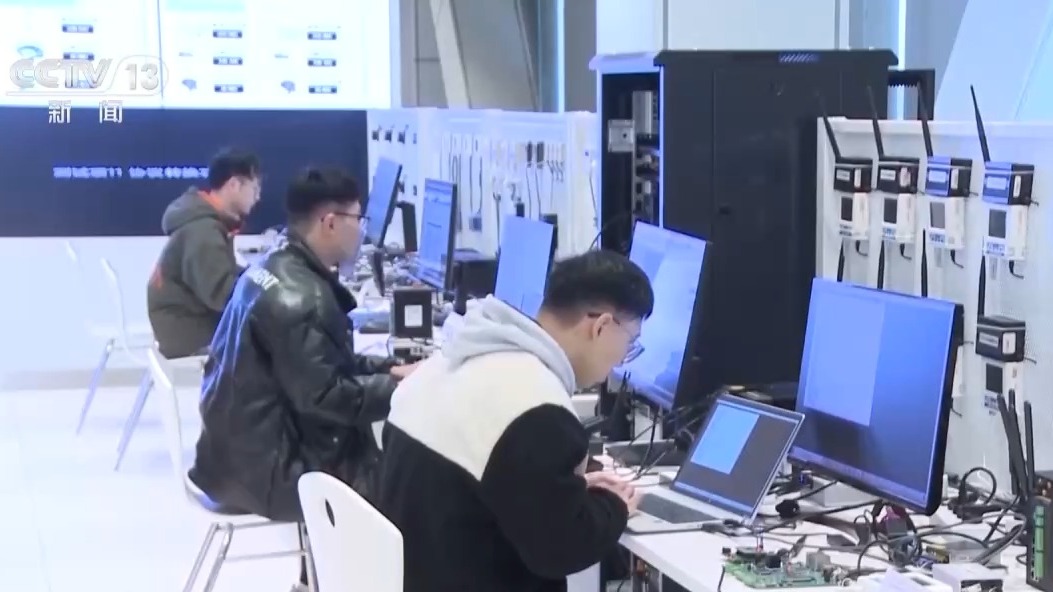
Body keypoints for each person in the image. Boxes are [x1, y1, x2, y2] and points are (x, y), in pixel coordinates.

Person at [377, 250, 654, 592]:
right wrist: (614, 505)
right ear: (602, 327)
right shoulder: (537, 407)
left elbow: (491, 486)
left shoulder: (445, 364)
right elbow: (562, 549)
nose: (622, 359)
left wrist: (567, 492)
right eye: (630, 343)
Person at [189, 165, 418, 526]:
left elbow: (322, 362)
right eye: (358, 219)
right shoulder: (304, 300)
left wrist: (389, 370)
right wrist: (405, 387)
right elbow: (328, 399)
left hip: (230, 459)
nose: (362, 231)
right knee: (419, 483)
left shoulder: (271, 266)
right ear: (330, 222)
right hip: (274, 474)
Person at [147, 148, 261, 359]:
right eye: (254, 189)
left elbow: (220, 274)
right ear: (234, 185)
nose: (257, 197)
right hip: (189, 333)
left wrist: (254, 275)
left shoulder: (206, 222)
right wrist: (266, 292)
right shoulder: (203, 231)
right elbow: (221, 294)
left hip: (186, 321)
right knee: (271, 339)